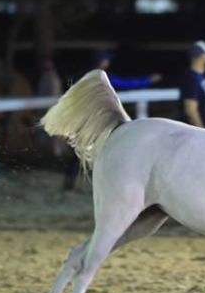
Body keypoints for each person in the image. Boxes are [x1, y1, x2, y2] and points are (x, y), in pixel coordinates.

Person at [62, 49, 162, 190]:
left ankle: (70, 183)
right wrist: (149, 80)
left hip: (81, 119)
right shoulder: (101, 78)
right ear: (102, 62)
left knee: (79, 153)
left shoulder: (81, 76)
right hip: (94, 121)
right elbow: (126, 84)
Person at [180, 40, 205, 129]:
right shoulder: (191, 79)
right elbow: (190, 110)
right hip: (202, 134)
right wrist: (202, 132)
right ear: (200, 55)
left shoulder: (201, 77)